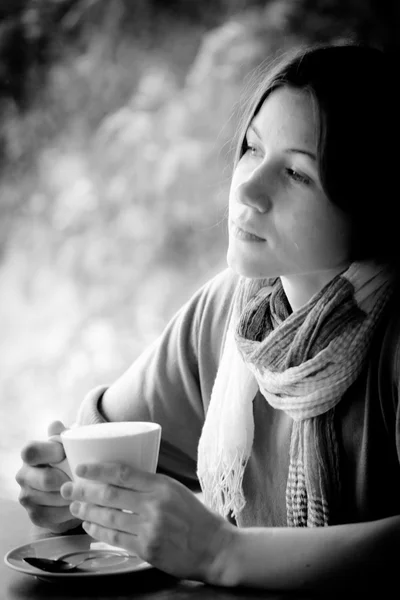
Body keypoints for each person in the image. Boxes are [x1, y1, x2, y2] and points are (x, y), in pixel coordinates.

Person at [15, 41, 400, 593]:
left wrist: (223, 551)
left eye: (295, 174)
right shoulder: (233, 311)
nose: (247, 186)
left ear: (371, 202)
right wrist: (70, 490)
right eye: (251, 148)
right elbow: (100, 443)